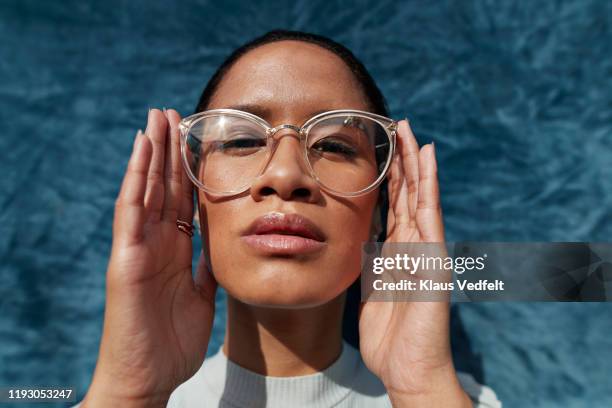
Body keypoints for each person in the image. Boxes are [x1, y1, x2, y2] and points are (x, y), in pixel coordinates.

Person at [74, 30, 501, 407]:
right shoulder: (118, 399)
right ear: (193, 196)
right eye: (242, 139)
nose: (285, 175)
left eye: (334, 146)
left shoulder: (451, 399)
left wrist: (422, 389)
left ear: (380, 210)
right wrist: (129, 392)